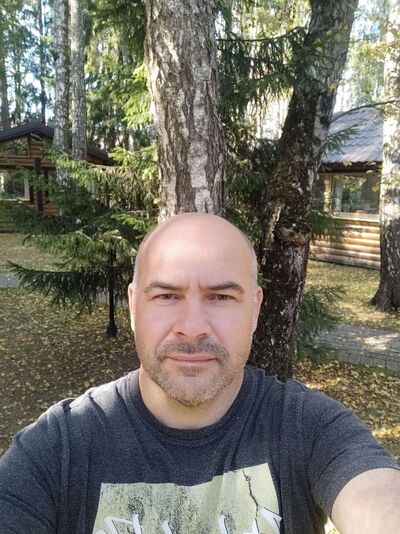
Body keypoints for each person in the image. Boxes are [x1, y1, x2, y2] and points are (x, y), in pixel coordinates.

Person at [0, 213, 399, 534]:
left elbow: (376, 497)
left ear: (255, 309)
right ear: (134, 307)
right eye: (167, 296)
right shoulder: (58, 448)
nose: (192, 328)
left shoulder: (309, 427)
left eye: (221, 297)